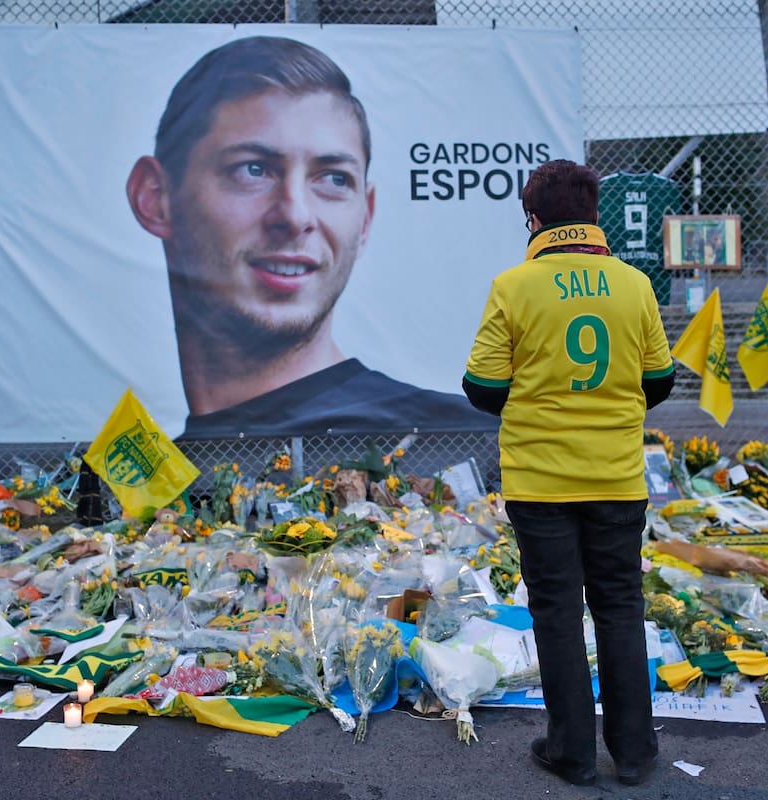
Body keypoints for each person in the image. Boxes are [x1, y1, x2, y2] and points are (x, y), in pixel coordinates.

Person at [126, 35, 496, 439]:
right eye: (252, 170)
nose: (295, 215)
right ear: (155, 199)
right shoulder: (137, 482)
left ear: (366, 218)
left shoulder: (458, 444)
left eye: (334, 179)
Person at [462, 160, 674, 787]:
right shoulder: (633, 285)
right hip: (616, 477)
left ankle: (572, 753)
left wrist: (537, 400)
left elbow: (481, 385)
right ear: (593, 216)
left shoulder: (514, 286)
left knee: (556, 613)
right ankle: (635, 754)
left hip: (540, 481)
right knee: (620, 608)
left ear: (532, 219)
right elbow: (659, 380)